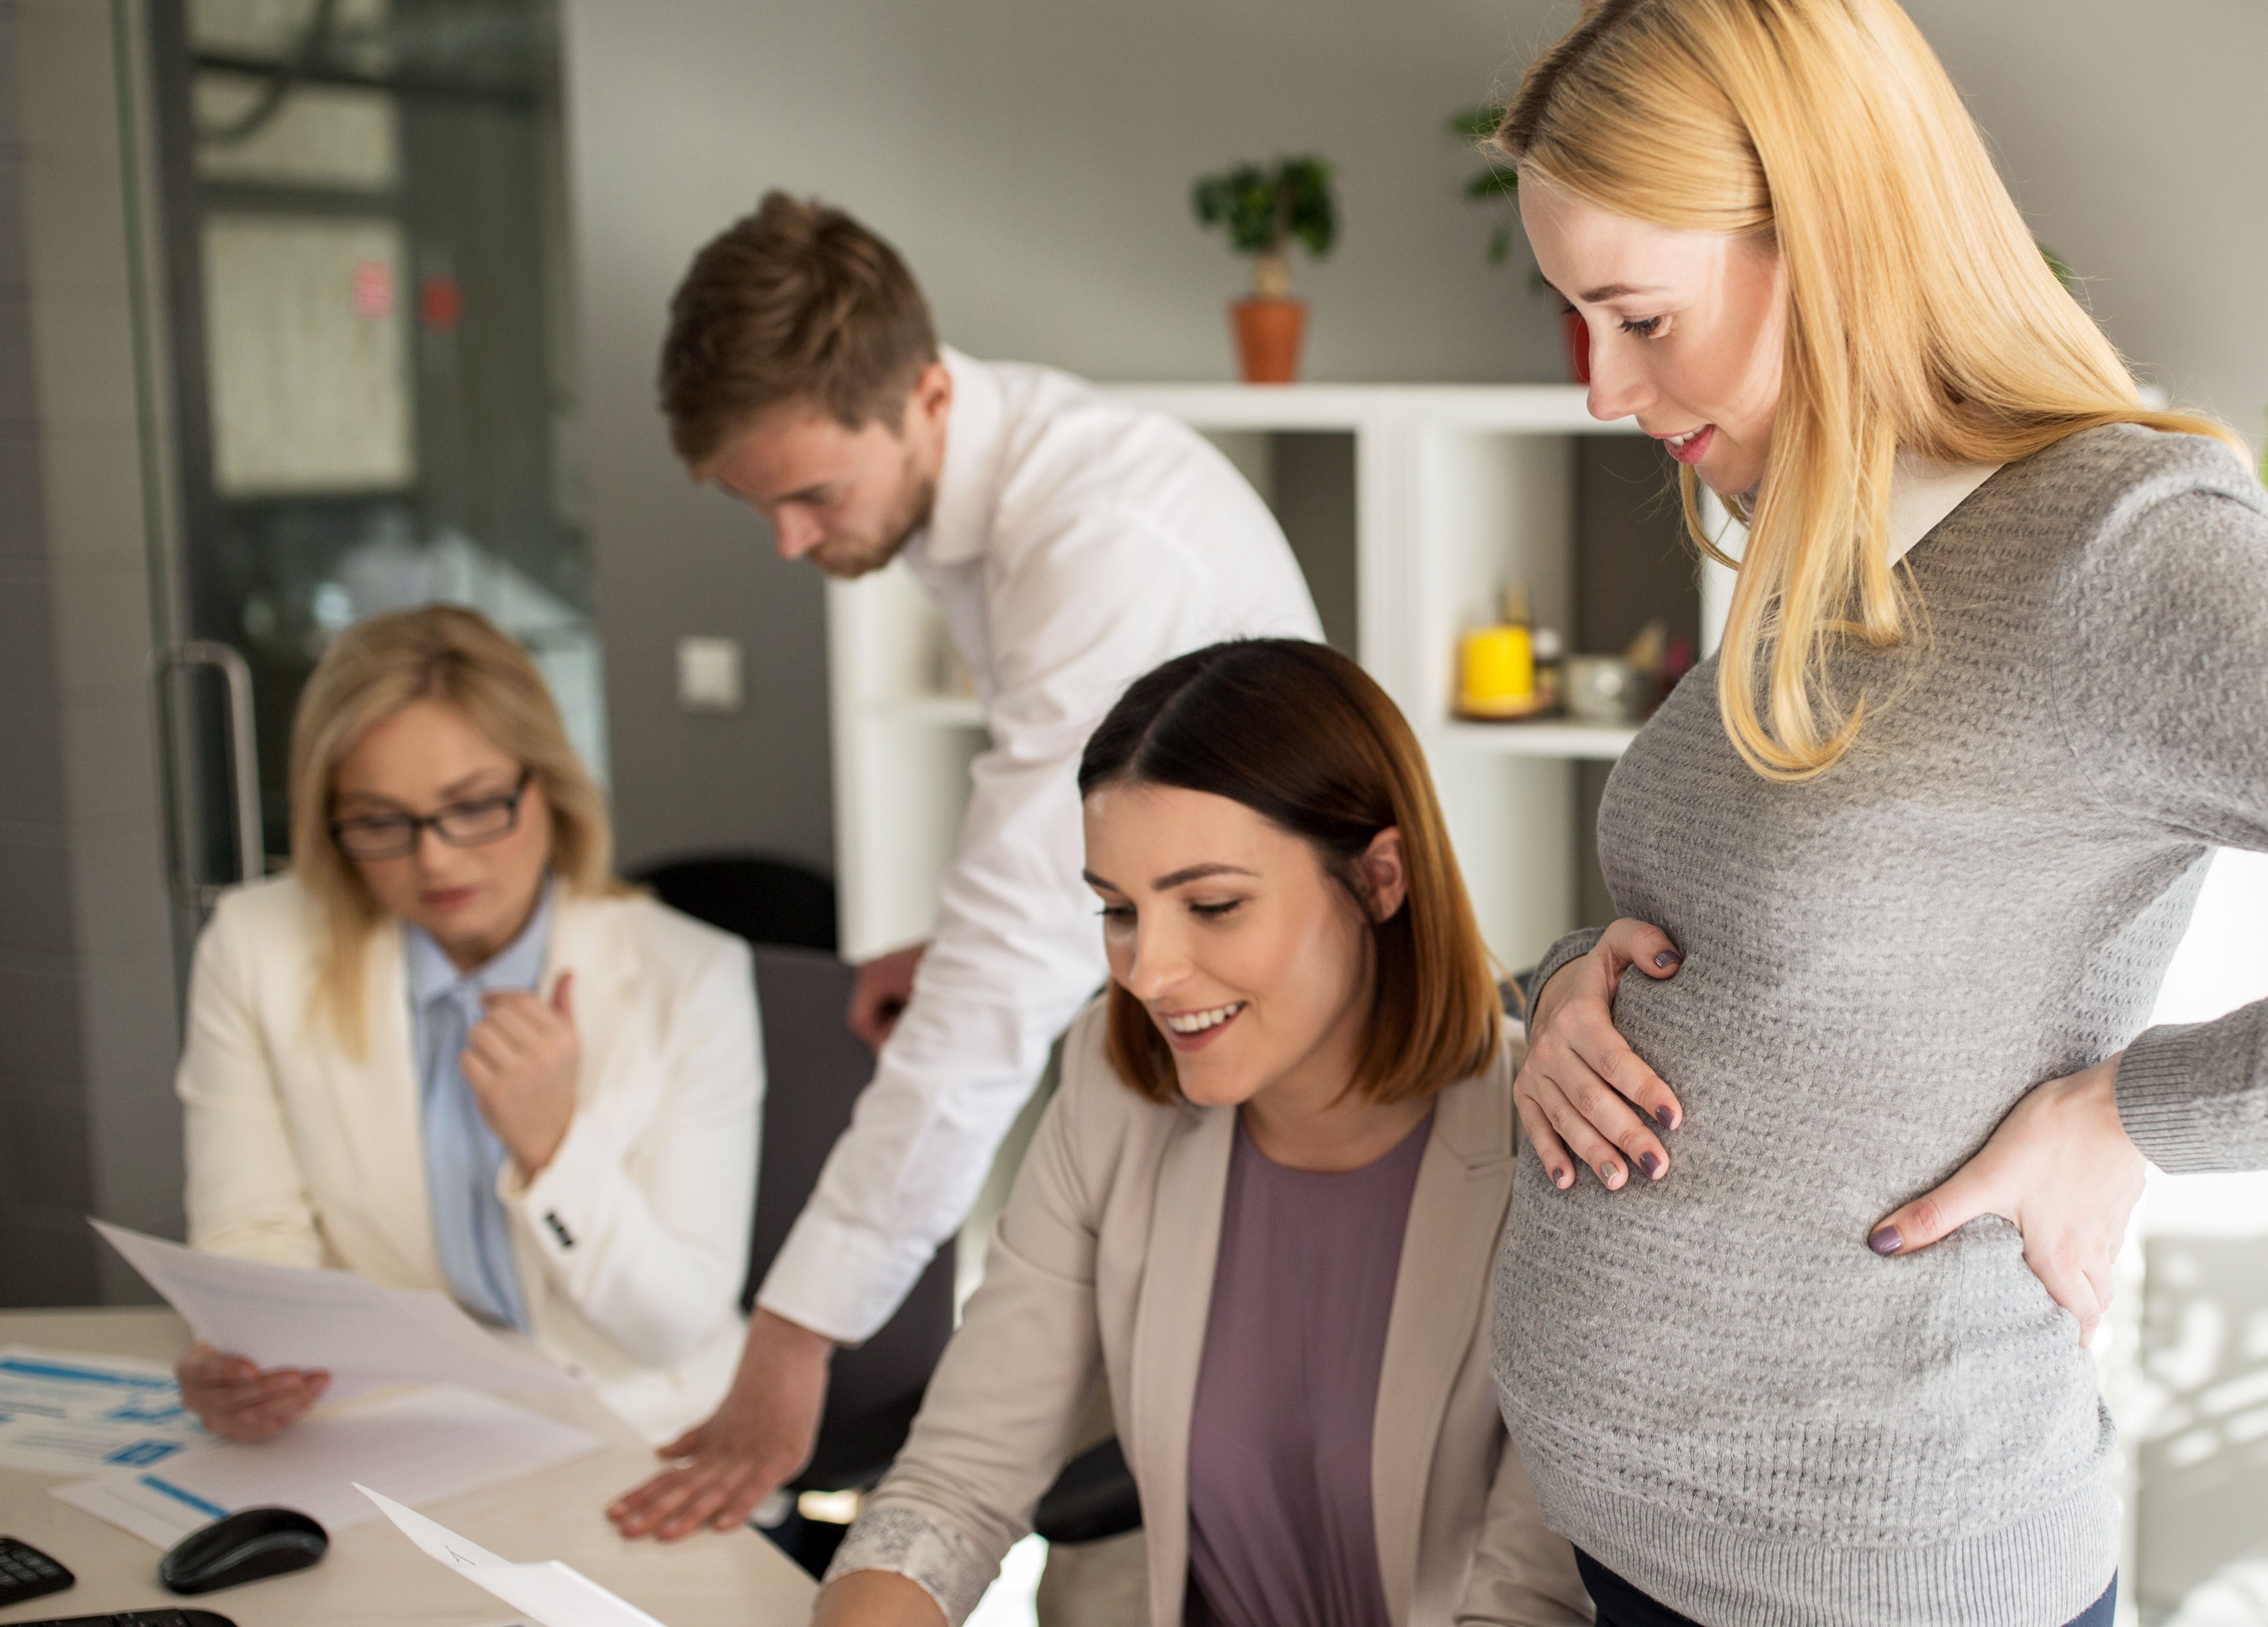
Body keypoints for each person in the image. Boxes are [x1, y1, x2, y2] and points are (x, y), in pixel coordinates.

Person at [1485, 3, 2268, 1624]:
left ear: (1835, 236)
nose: (1604, 390)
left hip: (1871, 1584)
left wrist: (2134, 1112)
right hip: (1628, 1546)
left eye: (1638, 317)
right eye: (1576, 320)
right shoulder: (1825, 512)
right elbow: (1813, 926)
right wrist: (1579, 978)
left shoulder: (2126, 555)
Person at [612, 194, 1323, 1539]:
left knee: (1156, 1553)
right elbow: (1066, 856)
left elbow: (1011, 965)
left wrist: (793, 1332)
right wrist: (957, 953)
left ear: (926, 393)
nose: (786, 541)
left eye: (812, 495)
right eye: (753, 503)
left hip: (1269, 1088)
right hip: (1177, 1043)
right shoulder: (982, 502)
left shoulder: (1093, 541)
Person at [811, 640, 1588, 1627]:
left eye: (1213, 905)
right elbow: (957, 1480)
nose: (1149, 971)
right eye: (1118, 910)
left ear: (1380, 878)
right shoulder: (1115, 1077)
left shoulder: (1548, 1139)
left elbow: (1534, 1599)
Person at [175, 605, 761, 1446]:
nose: (436, 860)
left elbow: (673, 1325)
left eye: (475, 805)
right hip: (387, 1426)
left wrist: (555, 1148)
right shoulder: (255, 947)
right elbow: (252, 1233)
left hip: (637, 1429)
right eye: (380, 821)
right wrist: (251, 1356)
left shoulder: (693, 976)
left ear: (549, 787)